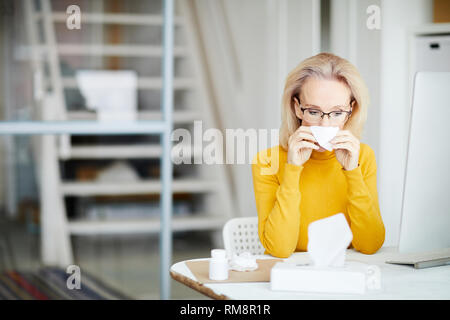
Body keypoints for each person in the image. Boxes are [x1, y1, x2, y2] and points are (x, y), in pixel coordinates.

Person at [251, 52, 385, 258]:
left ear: (352, 109)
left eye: (337, 113)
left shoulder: (363, 156)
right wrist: (293, 169)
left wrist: (352, 172)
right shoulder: (267, 162)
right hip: (294, 276)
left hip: (347, 273)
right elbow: (280, 249)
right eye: (313, 112)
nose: (325, 124)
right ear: (297, 108)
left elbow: (370, 244)